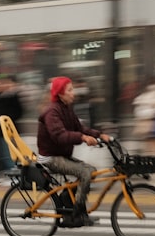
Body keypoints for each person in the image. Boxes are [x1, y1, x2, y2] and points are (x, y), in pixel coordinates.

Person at [36, 76, 112, 227]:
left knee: (90, 170)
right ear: (60, 93)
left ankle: (69, 202)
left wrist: (99, 134)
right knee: (85, 173)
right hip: (50, 157)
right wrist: (82, 138)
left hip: (61, 155)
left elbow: (80, 128)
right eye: (70, 90)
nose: (73, 93)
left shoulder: (66, 109)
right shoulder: (52, 111)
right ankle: (77, 213)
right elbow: (59, 135)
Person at [0, 74, 24, 183]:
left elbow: (18, 112)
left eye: (6, 83)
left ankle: (15, 175)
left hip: (11, 130)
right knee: (4, 153)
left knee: (11, 154)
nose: (3, 86)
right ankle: (10, 174)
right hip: (0, 131)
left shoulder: (13, 97)